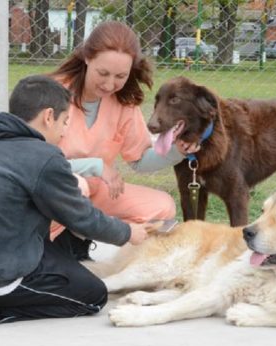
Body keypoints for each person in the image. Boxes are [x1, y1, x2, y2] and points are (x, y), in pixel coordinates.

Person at [0, 75, 152, 324]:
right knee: (92, 295)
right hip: (6, 275)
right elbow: (82, 218)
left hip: (13, 243)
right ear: (48, 116)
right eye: (65, 121)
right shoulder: (43, 156)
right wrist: (128, 232)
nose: (64, 131)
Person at [49, 21, 199, 254]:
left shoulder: (124, 103)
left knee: (163, 207)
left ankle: (88, 231)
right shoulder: (51, 92)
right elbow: (33, 163)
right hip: (54, 192)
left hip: (96, 193)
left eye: (121, 75)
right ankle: (65, 241)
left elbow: (139, 160)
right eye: (103, 73)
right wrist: (95, 166)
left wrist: (177, 150)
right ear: (87, 58)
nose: (110, 84)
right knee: (77, 187)